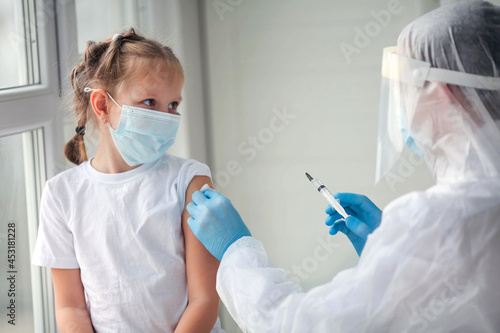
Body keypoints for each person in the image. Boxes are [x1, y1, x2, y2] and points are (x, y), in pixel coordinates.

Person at [187, 1, 500, 332]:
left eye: (406, 86)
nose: (401, 101)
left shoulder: (435, 219)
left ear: (441, 93)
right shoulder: (472, 209)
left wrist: (237, 250)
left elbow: (300, 327)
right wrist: (389, 254)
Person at [32, 29, 223, 332]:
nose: (167, 116)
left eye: (173, 105)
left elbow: (204, 299)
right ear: (102, 105)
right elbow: (70, 306)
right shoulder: (61, 194)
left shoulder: (190, 181)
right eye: (150, 101)